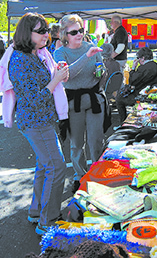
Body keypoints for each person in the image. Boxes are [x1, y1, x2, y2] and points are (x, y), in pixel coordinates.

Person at [7, 12, 69, 235]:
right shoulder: (21, 59)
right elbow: (35, 99)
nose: (46, 34)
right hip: (36, 121)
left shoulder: (35, 54)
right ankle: (49, 220)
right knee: (56, 166)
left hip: (41, 120)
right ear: (27, 33)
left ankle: (36, 212)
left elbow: (44, 84)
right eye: (41, 30)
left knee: (45, 165)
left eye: (46, 29)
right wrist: (56, 79)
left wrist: (56, 72)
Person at [54, 14, 109, 193]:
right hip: (73, 102)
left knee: (96, 141)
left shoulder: (90, 47)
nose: (79, 34)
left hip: (94, 99)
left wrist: (101, 72)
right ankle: (80, 177)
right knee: (77, 143)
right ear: (65, 35)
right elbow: (67, 76)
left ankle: (97, 175)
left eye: (81, 30)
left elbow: (100, 70)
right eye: (74, 32)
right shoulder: (60, 52)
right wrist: (86, 56)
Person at [115, 47, 157, 123]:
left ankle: (123, 122)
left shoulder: (143, 68)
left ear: (143, 58)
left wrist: (133, 68)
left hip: (142, 97)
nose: (138, 60)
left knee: (119, 99)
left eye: (138, 58)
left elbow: (132, 81)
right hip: (155, 94)